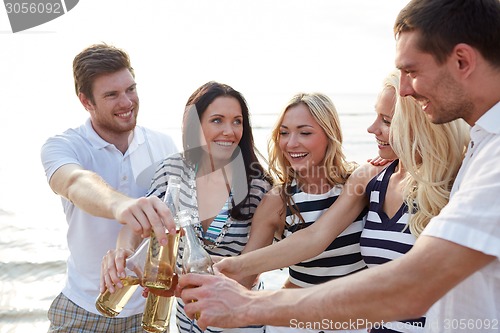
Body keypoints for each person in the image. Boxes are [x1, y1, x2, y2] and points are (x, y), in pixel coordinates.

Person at [177, 0, 500, 332]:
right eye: (285, 133)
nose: (406, 88)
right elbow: (314, 238)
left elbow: (413, 285)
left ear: (462, 60)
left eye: (412, 71)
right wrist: (233, 268)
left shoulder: (483, 163)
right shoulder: (474, 147)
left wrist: (251, 306)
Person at [214, 70, 469, 333]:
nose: (291, 143)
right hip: (305, 322)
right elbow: (309, 241)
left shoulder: (378, 180)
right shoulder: (286, 198)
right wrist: (223, 273)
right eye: (284, 132)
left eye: (304, 132)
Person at [101, 81, 273, 333]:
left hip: (240, 322)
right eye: (217, 120)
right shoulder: (172, 170)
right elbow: (138, 225)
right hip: (186, 321)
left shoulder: (258, 186)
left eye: (237, 121)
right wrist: (124, 254)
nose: (229, 130)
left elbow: (249, 274)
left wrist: (177, 284)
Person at [40, 43, 178, 332]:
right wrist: (122, 205)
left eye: (130, 89)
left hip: (148, 312)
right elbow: (75, 182)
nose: (127, 102)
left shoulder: (163, 145)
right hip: (83, 309)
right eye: (112, 95)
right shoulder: (64, 146)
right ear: (86, 101)